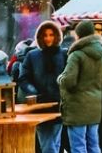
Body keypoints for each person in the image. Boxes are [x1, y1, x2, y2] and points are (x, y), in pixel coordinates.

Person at [58, 20, 102, 153]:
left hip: (77, 108)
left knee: (78, 146)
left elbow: (69, 81)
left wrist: (60, 78)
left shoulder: (76, 55)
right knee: (94, 144)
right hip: (95, 107)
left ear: (78, 35)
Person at [19, 21, 67, 153]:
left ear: (57, 36)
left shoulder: (64, 54)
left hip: (59, 105)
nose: (48, 38)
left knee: (55, 143)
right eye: (45, 35)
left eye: (51, 34)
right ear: (40, 37)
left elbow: (70, 77)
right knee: (48, 145)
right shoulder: (32, 55)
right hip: (40, 106)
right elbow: (23, 78)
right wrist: (33, 92)